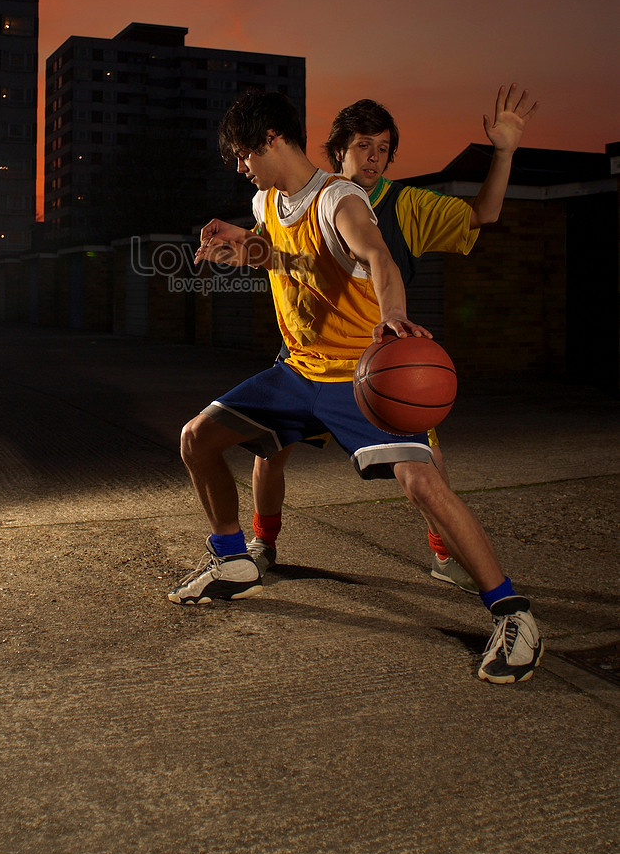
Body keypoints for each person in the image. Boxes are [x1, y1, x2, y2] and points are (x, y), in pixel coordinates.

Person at [168, 88, 543, 685]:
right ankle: (233, 559)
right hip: (296, 370)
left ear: (269, 141)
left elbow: (378, 256)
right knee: (197, 438)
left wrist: (391, 315)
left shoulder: (339, 200)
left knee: (423, 482)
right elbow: (280, 256)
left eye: (242, 154)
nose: (240, 166)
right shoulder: (267, 200)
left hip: (358, 376)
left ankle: (513, 612)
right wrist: (239, 249)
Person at [248, 85, 539, 594]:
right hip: (305, 353)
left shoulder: (404, 205)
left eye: (383, 148)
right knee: (267, 452)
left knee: (424, 467)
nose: (374, 157)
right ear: (338, 149)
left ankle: (445, 556)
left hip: (373, 356)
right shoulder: (291, 199)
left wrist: (505, 150)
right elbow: (280, 257)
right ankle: (263, 544)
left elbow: (484, 213)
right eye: (363, 145)